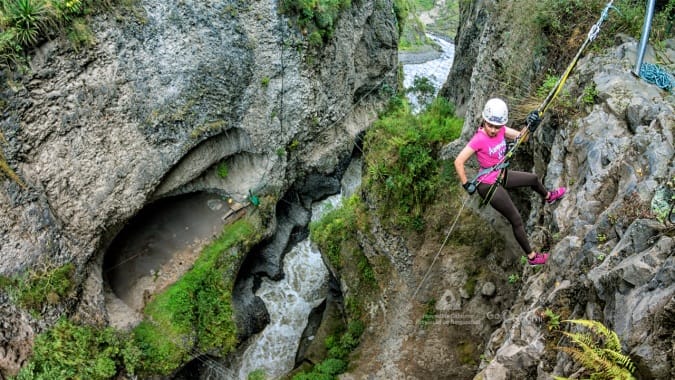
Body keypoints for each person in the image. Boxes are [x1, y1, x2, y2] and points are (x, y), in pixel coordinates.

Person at [454, 98, 566, 265]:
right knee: (516, 219)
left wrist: (531, 125)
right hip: (487, 185)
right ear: (484, 121)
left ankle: (549, 196)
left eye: (496, 126)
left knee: (533, 179)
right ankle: (532, 257)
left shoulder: (501, 130)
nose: (492, 129)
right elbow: (459, 161)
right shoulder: (479, 139)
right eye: (489, 125)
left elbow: (523, 138)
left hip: (500, 173)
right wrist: (466, 184)